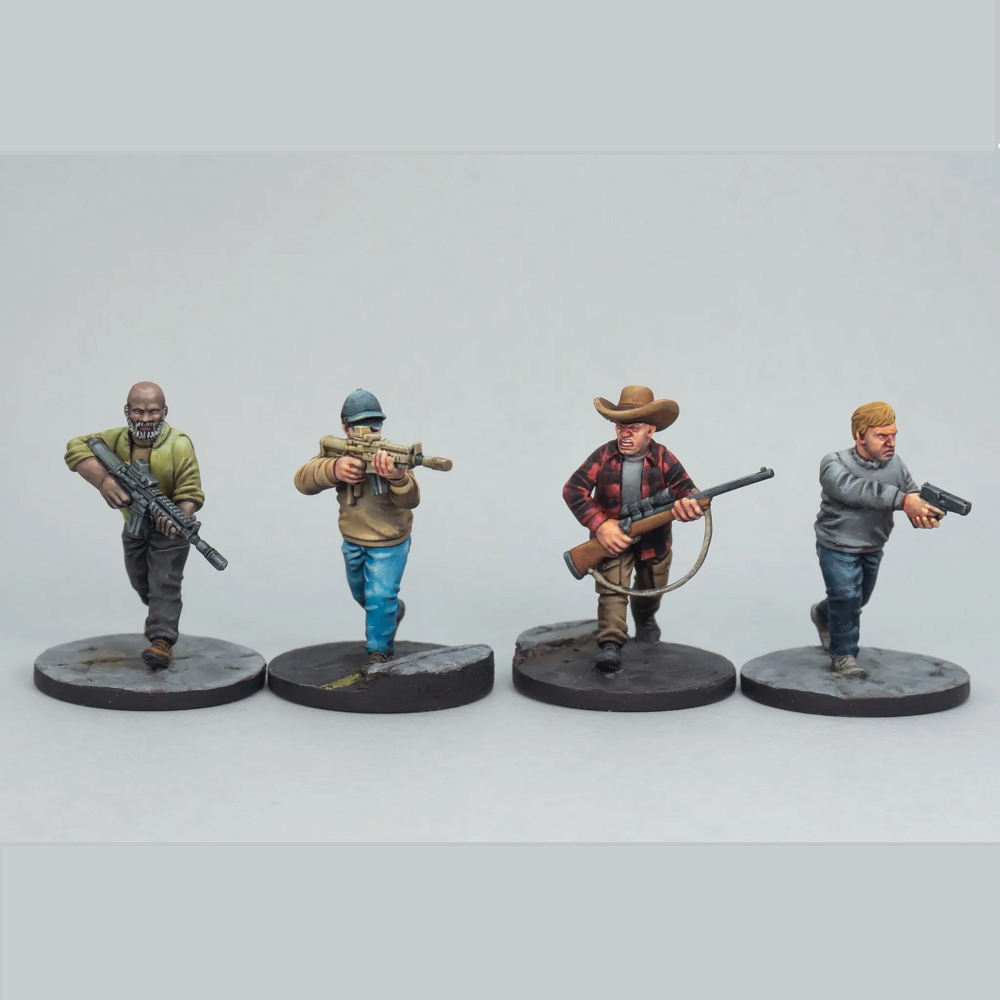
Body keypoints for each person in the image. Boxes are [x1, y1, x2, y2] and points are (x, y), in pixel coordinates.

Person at [563, 385, 704, 674]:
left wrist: (692, 504)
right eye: (620, 426)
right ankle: (610, 644)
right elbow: (573, 489)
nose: (625, 434)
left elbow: (686, 489)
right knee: (612, 591)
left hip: (655, 540)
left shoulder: (663, 457)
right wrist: (601, 525)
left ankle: (645, 617)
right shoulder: (603, 455)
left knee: (652, 588)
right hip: (613, 538)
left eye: (634, 428)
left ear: (650, 430)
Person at [65, 381, 205, 668]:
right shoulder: (117, 439)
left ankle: (162, 641)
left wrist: (180, 516)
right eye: (138, 411)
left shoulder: (179, 444)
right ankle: (158, 612)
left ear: (165, 411)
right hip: (134, 525)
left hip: (169, 530)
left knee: (164, 583)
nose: (145, 418)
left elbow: (190, 490)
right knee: (141, 580)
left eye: (153, 411)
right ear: (127, 411)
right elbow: (75, 446)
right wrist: (103, 480)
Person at [811, 401, 942, 678]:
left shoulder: (895, 465)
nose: (890, 442)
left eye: (893, 435)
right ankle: (844, 655)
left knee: (858, 599)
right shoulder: (834, 463)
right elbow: (853, 489)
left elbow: (910, 492)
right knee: (846, 598)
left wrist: (922, 511)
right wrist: (903, 501)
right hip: (837, 546)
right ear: (860, 436)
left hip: (872, 545)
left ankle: (822, 615)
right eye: (882, 435)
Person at [294, 389, 417, 670]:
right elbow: (302, 481)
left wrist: (398, 477)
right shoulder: (340, 451)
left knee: (379, 596)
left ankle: (378, 652)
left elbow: (412, 500)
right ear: (345, 428)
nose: (369, 431)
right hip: (353, 539)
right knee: (361, 593)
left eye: (375, 425)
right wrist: (333, 469)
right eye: (360, 425)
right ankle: (392, 613)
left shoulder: (391, 454)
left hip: (390, 541)